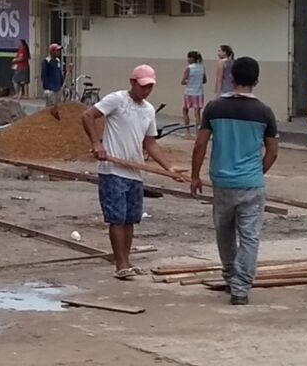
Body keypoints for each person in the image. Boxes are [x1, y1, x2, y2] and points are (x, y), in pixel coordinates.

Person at [82, 65, 185, 280]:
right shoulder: (116, 100)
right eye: (143, 86)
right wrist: (96, 143)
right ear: (132, 82)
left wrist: (169, 168)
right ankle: (120, 264)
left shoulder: (148, 110)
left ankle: (127, 261)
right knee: (116, 218)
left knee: (130, 219)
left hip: (135, 171)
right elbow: (88, 116)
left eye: (150, 87)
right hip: (113, 170)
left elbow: (150, 143)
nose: (146, 90)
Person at [191, 57, 279, 305]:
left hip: (221, 181)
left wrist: (195, 175)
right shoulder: (264, 112)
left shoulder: (214, 108)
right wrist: (258, 171)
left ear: (231, 78)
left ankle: (230, 276)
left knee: (224, 231)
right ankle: (241, 287)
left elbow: (200, 144)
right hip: (251, 182)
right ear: (256, 80)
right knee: (250, 236)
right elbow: (272, 151)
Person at [181, 50, 207, 137]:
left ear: (191, 58)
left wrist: (189, 81)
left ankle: (187, 132)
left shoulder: (189, 68)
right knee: (197, 114)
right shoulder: (202, 67)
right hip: (199, 93)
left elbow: (183, 81)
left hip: (189, 92)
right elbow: (204, 80)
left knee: (185, 110)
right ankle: (197, 133)